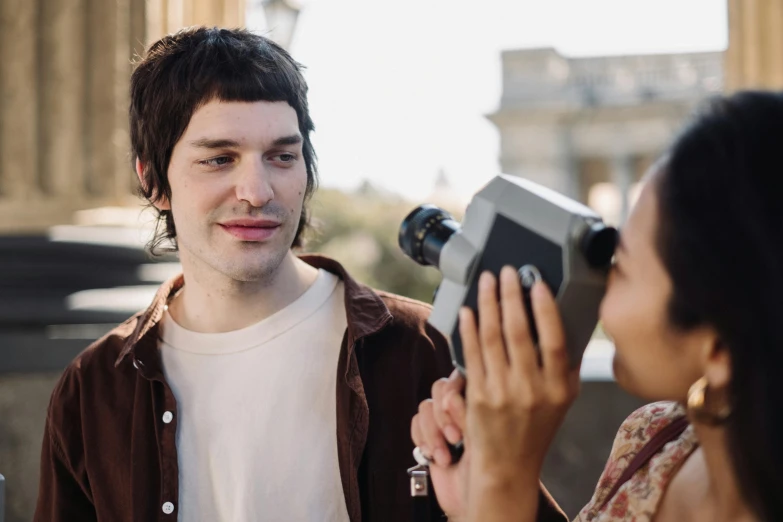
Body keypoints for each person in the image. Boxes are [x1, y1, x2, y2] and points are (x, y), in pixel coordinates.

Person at [33, 27, 460, 522]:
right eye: (219, 159)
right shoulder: (92, 392)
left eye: (282, 156)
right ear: (154, 181)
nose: (257, 191)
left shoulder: (425, 349)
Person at [412, 90, 783, 522]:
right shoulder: (652, 440)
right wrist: (474, 499)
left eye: (619, 267)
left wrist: (502, 480)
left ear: (719, 349)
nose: (596, 293)